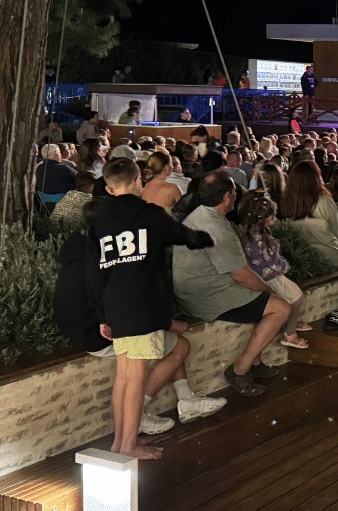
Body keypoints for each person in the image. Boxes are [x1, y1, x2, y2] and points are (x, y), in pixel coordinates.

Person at [53, 201, 226, 438]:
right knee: (178, 348)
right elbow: (128, 300)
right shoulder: (110, 254)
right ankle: (137, 417)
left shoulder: (81, 250)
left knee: (164, 343)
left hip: (80, 329)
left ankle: (185, 398)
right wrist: (168, 322)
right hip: (101, 332)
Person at [92, 158, 216, 459]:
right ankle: (128, 446)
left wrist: (102, 314)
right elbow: (183, 235)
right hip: (143, 306)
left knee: (124, 376)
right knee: (135, 378)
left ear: (109, 188)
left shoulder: (99, 220)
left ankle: (119, 443)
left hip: (116, 306)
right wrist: (205, 239)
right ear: (139, 181)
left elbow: (93, 270)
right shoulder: (150, 214)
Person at [173, 171, 291, 397]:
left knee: (264, 303)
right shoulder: (215, 228)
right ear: (227, 196)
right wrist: (270, 291)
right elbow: (242, 276)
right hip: (207, 297)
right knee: (281, 308)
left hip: (194, 290)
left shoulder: (199, 214)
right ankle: (240, 370)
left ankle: (256, 363)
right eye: (235, 192)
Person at [241, 194, 312, 350]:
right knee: (297, 298)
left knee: (289, 299)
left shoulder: (251, 235)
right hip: (271, 277)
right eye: (274, 215)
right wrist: (284, 266)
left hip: (264, 276)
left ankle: (291, 322)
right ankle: (290, 334)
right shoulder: (262, 240)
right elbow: (271, 263)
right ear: (268, 218)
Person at [279, 160, 338, 268]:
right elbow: (335, 232)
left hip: (302, 261)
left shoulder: (289, 202)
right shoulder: (325, 201)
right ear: (316, 178)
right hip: (330, 258)